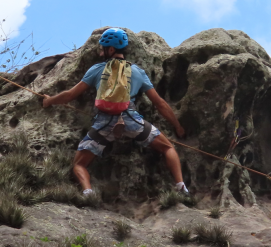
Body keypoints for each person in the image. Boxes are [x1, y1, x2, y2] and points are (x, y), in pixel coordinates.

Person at [42, 27, 189, 196]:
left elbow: (69, 95)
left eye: (102, 48)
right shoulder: (137, 72)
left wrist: (49, 101)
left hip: (103, 122)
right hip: (131, 119)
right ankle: (181, 186)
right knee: (168, 148)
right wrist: (178, 126)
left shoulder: (97, 70)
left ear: (110, 49)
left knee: (79, 164)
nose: (99, 52)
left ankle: (88, 192)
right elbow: (159, 103)